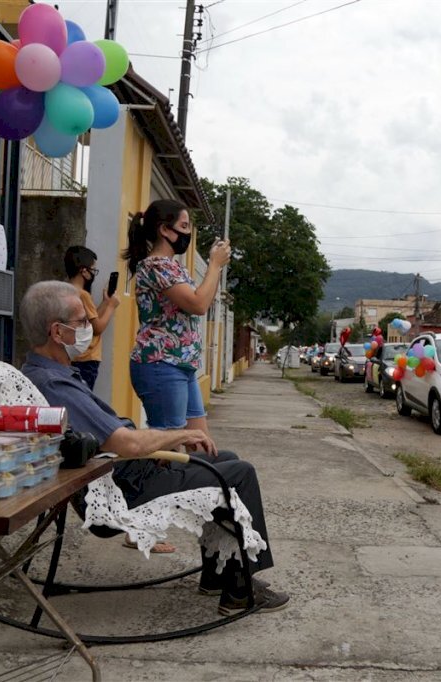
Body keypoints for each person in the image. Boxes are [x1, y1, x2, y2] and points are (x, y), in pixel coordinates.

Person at [19, 281, 289, 614]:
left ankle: (218, 574)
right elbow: (126, 442)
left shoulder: (48, 373)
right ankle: (240, 588)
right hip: (125, 486)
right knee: (240, 473)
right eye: (82, 322)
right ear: (57, 332)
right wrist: (177, 435)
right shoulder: (54, 384)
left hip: (120, 473)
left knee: (223, 459)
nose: (91, 327)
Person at [121, 199, 232, 436]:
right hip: (161, 363)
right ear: (164, 229)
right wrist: (214, 264)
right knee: (169, 444)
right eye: (184, 226)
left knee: (199, 441)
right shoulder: (155, 266)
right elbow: (198, 304)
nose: (188, 233)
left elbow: (202, 298)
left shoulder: (175, 267)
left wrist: (216, 269)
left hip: (181, 364)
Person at [63, 245, 120, 391]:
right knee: (84, 397)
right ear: (84, 271)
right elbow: (97, 328)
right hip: (87, 358)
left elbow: (90, 318)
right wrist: (112, 307)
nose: (94, 274)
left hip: (71, 356)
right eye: (93, 270)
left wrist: (105, 302)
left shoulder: (66, 290)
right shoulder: (83, 295)